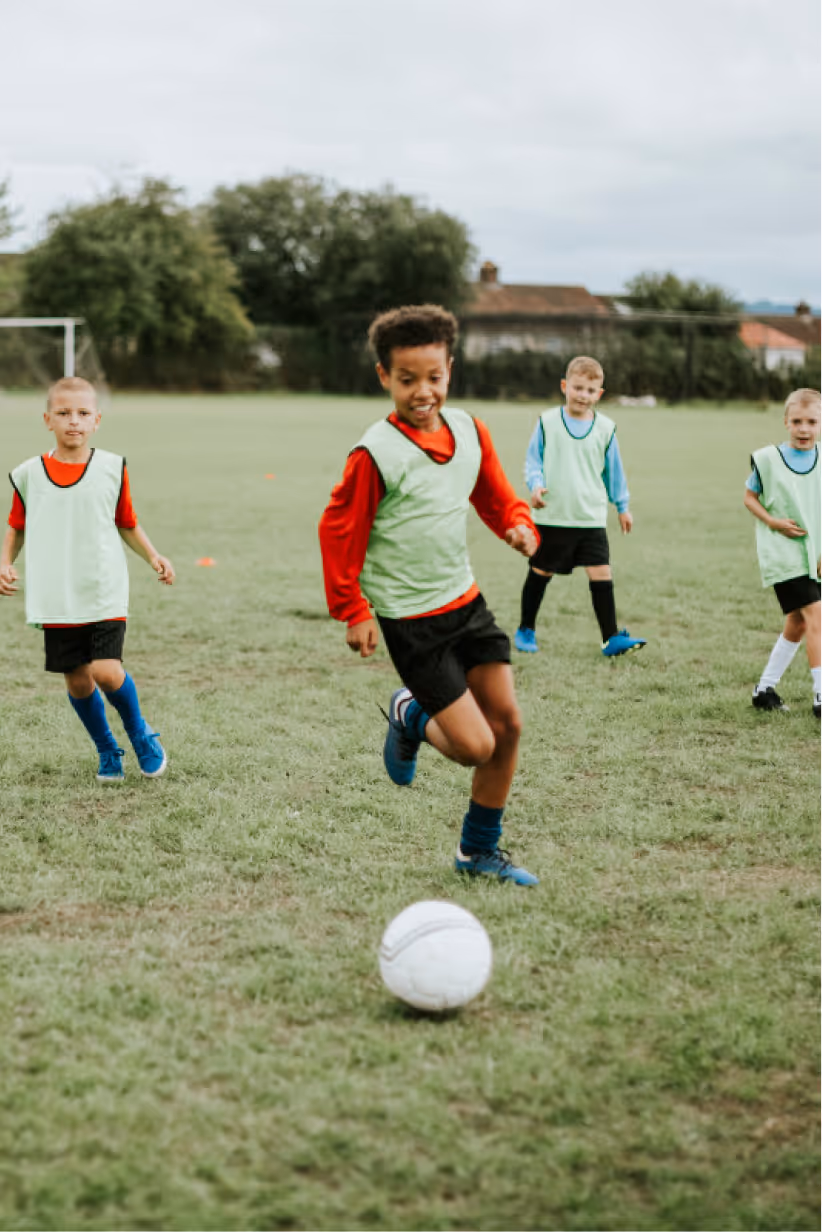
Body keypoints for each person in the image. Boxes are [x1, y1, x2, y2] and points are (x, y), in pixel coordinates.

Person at [319, 304, 540, 885]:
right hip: (410, 621)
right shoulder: (376, 453)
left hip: (466, 604)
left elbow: (495, 497)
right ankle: (410, 713)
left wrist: (519, 525)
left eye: (434, 377)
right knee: (473, 746)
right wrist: (353, 609)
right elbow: (339, 531)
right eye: (407, 379)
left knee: (508, 726)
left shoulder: (469, 429)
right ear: (383, 378)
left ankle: (477, 852)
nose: (423, 392)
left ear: (450, 371)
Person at [0, 376, 175, 780]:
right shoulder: (29, 474)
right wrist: (6, 561)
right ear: (48, 419)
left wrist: (154, 556)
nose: (73, 421)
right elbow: (16, 526)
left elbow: (127, 522)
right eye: (63, 413)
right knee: (78, 682)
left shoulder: (112, 468)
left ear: (97, 420)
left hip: (103, 588)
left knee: (106, 670)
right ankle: (106, 750)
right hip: (56, 594)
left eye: (82, 414)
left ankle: (140, 734)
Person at [514, 355, 647, 658]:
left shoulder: (606, 429)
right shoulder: (547, 422)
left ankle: (610, 638)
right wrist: (535, 486)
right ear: (565, 386)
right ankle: (525, 629)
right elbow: (533, 460)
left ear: (599, 394)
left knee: (601, 573)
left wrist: (622, 506)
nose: (583, 395)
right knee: (541, 571)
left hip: (590, 517)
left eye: (590, 390)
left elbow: (614, 471)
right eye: (577, 388)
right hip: (553, 514)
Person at [744, 387, 821, 717]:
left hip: (812, 555)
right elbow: (749, 497)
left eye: (812, 422)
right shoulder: (768, 460)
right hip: (783, 553)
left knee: (798, 623)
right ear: (786, 422)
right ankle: (820, 696)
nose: (804, 429)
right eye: (798, 421)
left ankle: (764, 690)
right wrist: (773, 522)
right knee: (816, 616)